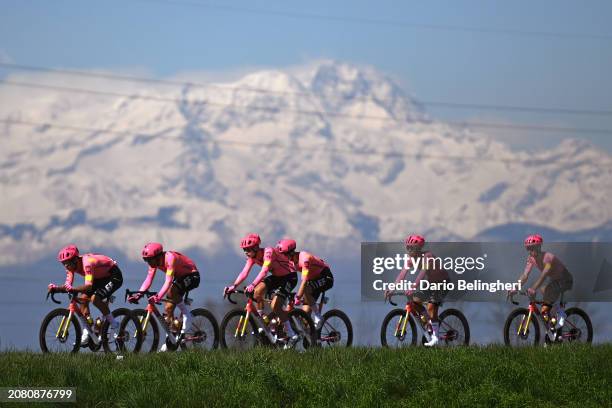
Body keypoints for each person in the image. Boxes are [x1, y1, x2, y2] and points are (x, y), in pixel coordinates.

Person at [225, 233, 298, 343]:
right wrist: (233, 286)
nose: (246, 252)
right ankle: (264, 320)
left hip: (289, 277)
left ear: (256, 247)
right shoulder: (252, 257)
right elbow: (244, 272)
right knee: (257, 292)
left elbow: (264, 271)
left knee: (275, 305)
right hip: (276, 277)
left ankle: (291, 333)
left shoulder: (268, 252)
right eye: (244, 250)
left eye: (248, 249)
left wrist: (252, 284)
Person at [128, 243, 200, 350]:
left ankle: (187, 315)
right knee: (168, 308)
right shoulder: (154, 263)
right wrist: (138, 295)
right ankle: (171, 339)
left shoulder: (170, 258)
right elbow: (148, 280)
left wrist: (158, 296)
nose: (148, 262)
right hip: (179, 277)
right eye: (146, 260)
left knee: (171, 292)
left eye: (149, 260)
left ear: (158, 256)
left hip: (192, 275)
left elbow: (168, 281)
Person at [48, 245, 124, 344]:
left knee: (95, 299)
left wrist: (73, 289)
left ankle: (115, 325)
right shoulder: (70, 268)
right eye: (64, 263)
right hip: (99, 278)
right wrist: (56, 288)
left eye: (68, 263)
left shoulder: (87, 263)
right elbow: (68, 286)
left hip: (114, 276)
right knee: (82, 299)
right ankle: (88, 328)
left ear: (75, 260)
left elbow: (88, 286)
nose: (66, 266)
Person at [385, 235, 449, 347]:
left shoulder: (428, 257)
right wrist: (392, 288)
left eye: (411, 248)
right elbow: (402, 275)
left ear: (418, 248)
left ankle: (435, 337)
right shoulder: (410, 260)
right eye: (407, 247)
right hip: (431, 283)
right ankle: (429, 323)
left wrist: (413, 287)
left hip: (442, 283)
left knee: (431, 307)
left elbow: (422, 273)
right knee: (415, 300)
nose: (409, 250)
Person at [512, 234, 573, 338]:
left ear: (539, 247)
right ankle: (553, 326)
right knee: (544, 291)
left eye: (533, 248)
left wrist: (532, 288)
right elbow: (525, 275)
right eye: (528, 249)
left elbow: (544, 275)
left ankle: (560, 313)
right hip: (555, 280)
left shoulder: (548, 258)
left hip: (565, 279)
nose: (531, 251)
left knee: (545, 302)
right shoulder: (531, 259)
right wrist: (515, 287)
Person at [276, 239, 333, 329]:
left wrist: (298, 297)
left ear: (291, 253)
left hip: (325, 277)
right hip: (313, 281)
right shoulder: (290, 261)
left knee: (306, 289)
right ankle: (313, 337)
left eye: (284, 254)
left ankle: (318, 316)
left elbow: (304, 281)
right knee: (305, 314)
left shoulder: (305, 259)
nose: (282, 256)